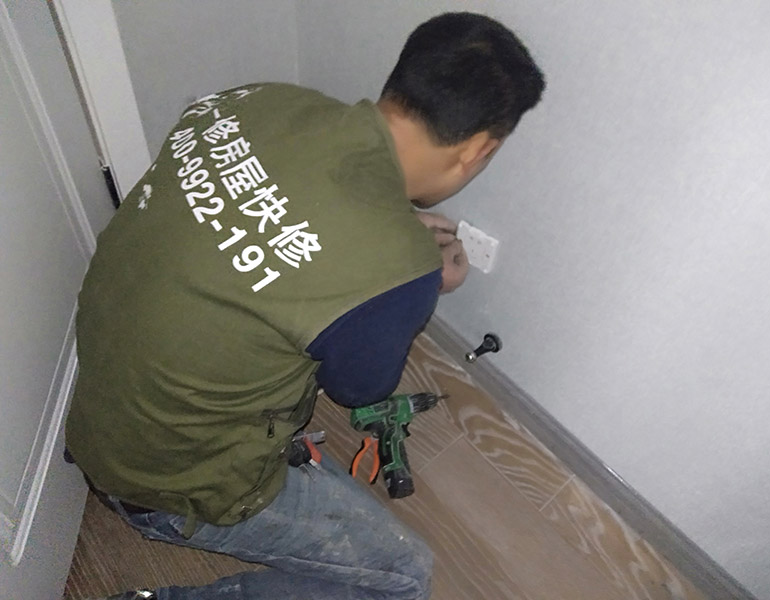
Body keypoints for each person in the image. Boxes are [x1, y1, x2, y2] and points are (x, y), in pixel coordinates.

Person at [68, 11, 545, 600]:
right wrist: (412, 275)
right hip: (168, 479)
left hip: (105, 404)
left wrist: (390, 244)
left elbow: (289, 211)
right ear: (477, 150)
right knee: (403, 579)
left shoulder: (258, 102)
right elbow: (359, 388)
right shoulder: (402, 272)